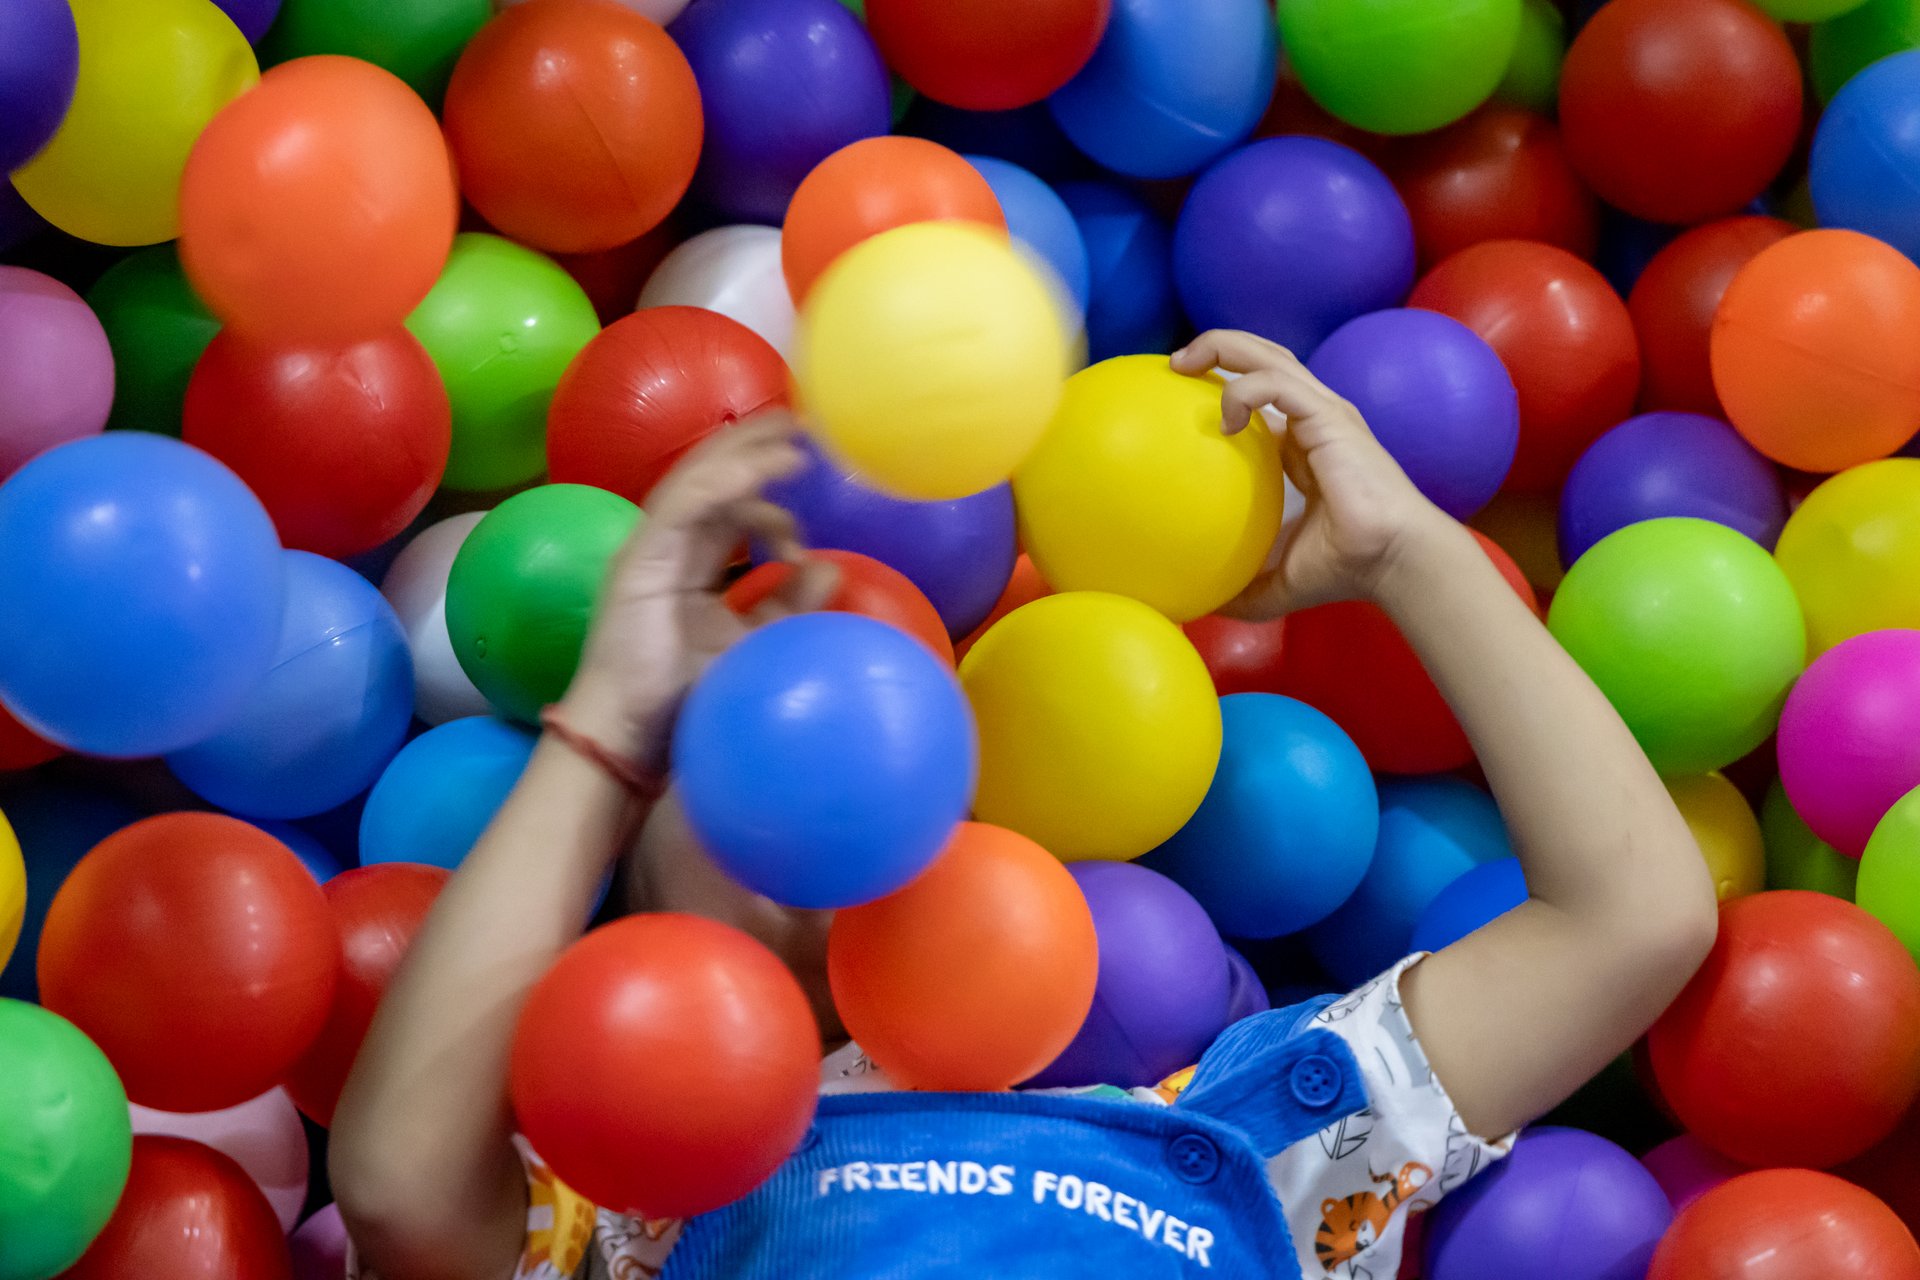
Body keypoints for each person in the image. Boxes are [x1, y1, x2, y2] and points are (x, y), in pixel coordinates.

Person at [330, 331, 1718, 1280]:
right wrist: (605, 733)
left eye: (873, 732)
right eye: (729, 741)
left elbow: (1634, 916)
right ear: (640, 894)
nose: (816, 765)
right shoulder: (639, 1194)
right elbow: (398, 1189)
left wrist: (1411, 550)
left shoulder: (1246, 1130)